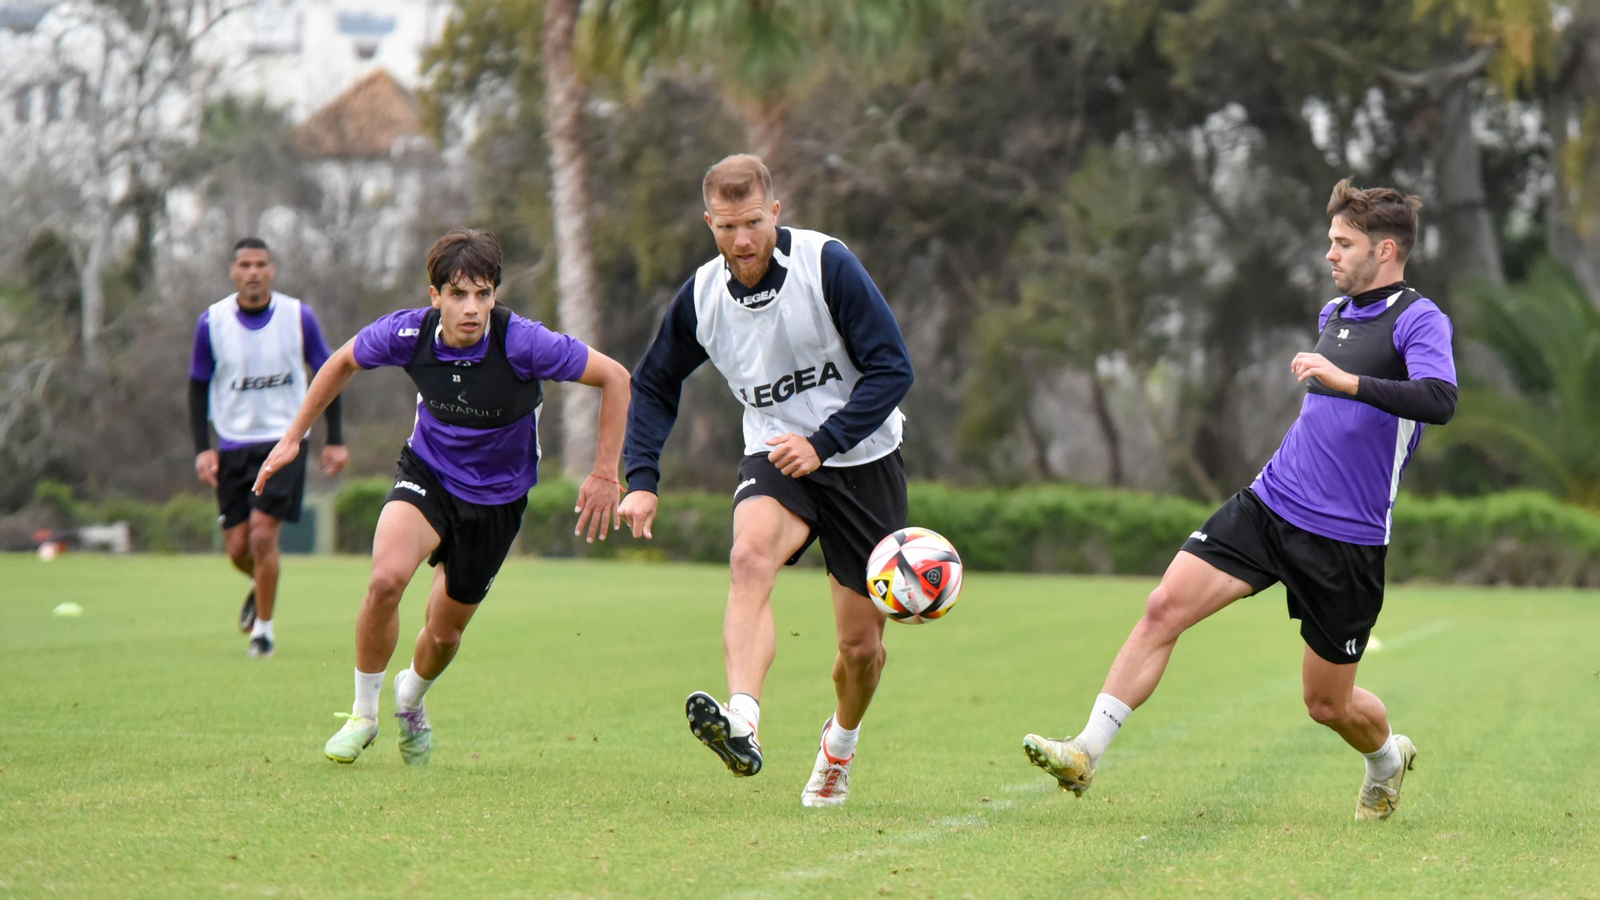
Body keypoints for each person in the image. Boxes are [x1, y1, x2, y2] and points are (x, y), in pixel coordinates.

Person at [1022, 179, 1457, 821]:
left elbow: (1439, 400)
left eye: (1343, 243)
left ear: (1386, 250)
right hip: (1271, 501)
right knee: (1163, 606)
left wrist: (1348, 381)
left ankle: (1387, 757)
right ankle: (1086, 750)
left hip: (1347, 538)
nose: (1330, 255)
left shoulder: (1421, 319)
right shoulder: (1333, 315)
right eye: (1330, 242)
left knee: (1327, 705)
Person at [251, 229, 630, 766]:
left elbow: (615, 378)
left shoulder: (522, 342)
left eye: (482, 294)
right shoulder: (408, 332)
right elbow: (340, 362)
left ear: (495, 295)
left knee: (444, 634)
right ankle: (364, 714)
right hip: (427, 473)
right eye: (457, 294)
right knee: (385, 581)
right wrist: (293, 438)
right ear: (435, 296)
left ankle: (410, 700)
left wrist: (604, 473)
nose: (471, 308)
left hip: (498, 500)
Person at [619, 154, 915, 808]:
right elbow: (655, 384)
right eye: (726, 227)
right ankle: (742, 721)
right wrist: (641, 477)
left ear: (775, 213)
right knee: (749, 557)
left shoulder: (826, 265)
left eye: (753, 222)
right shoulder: (702, 297)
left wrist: (826, 442)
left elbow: (893, 369)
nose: (742, 240)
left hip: (863, 460)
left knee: (860, 651)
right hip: (778, 456)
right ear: (709, 224)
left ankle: (839, 745)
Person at [190, 237, 349, 658]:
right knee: (238, 548)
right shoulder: (212, 322)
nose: (253, 272)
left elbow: (331, 370)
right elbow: (197, 386)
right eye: (245, 264)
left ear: (272, 270)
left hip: (284, 442)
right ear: (233, 271)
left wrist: (334, 439)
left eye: (261, 264)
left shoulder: (298, 317)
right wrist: (202, 449)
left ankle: (264, 631)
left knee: (263, 535)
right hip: (232, 446)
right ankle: (259, 585)